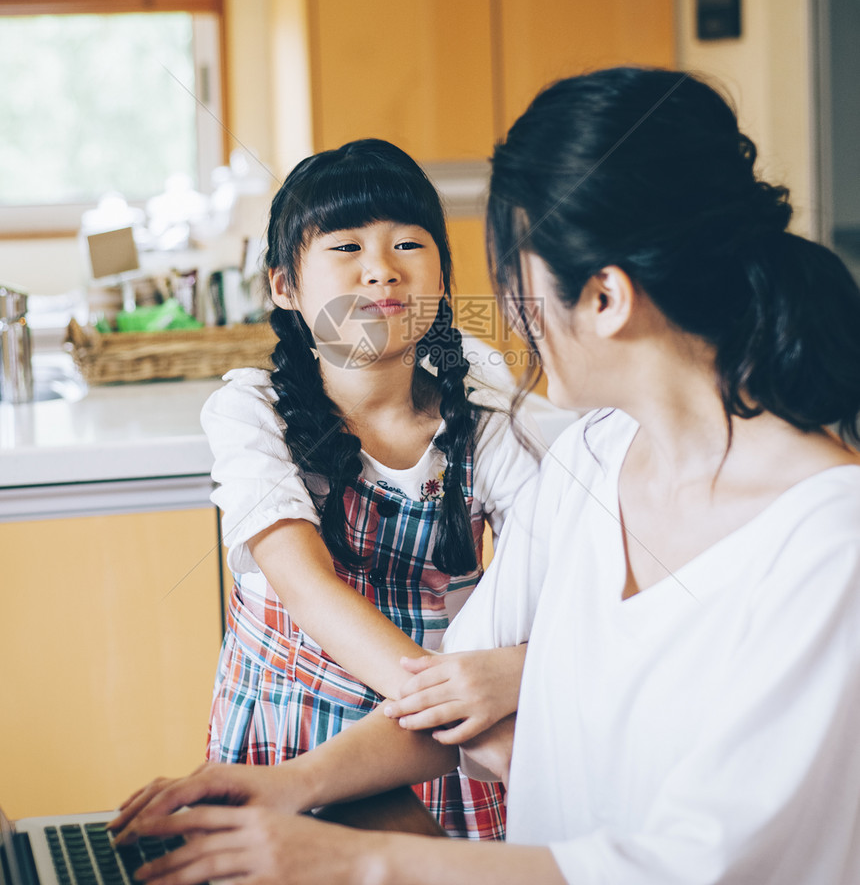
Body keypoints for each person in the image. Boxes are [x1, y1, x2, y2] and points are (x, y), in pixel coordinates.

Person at [111, 69, 860, 884]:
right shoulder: (591, 459)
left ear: (603, 297)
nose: (501, 306)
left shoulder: (829, 544)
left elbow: (688, 867)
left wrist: (360, 860)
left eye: (512, 274)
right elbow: (450, 698)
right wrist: (289, 785)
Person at [198, 138, 540, 841]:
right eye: (346, 247)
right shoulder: (250, 411)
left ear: (442, 277)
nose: (382, 271)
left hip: (438, 739)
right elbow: (309, 589)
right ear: (283, 287)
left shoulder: (481, 401)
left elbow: (553, 569)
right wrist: (475, 715)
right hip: (303, 734)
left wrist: (518, 673)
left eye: (408, 244)